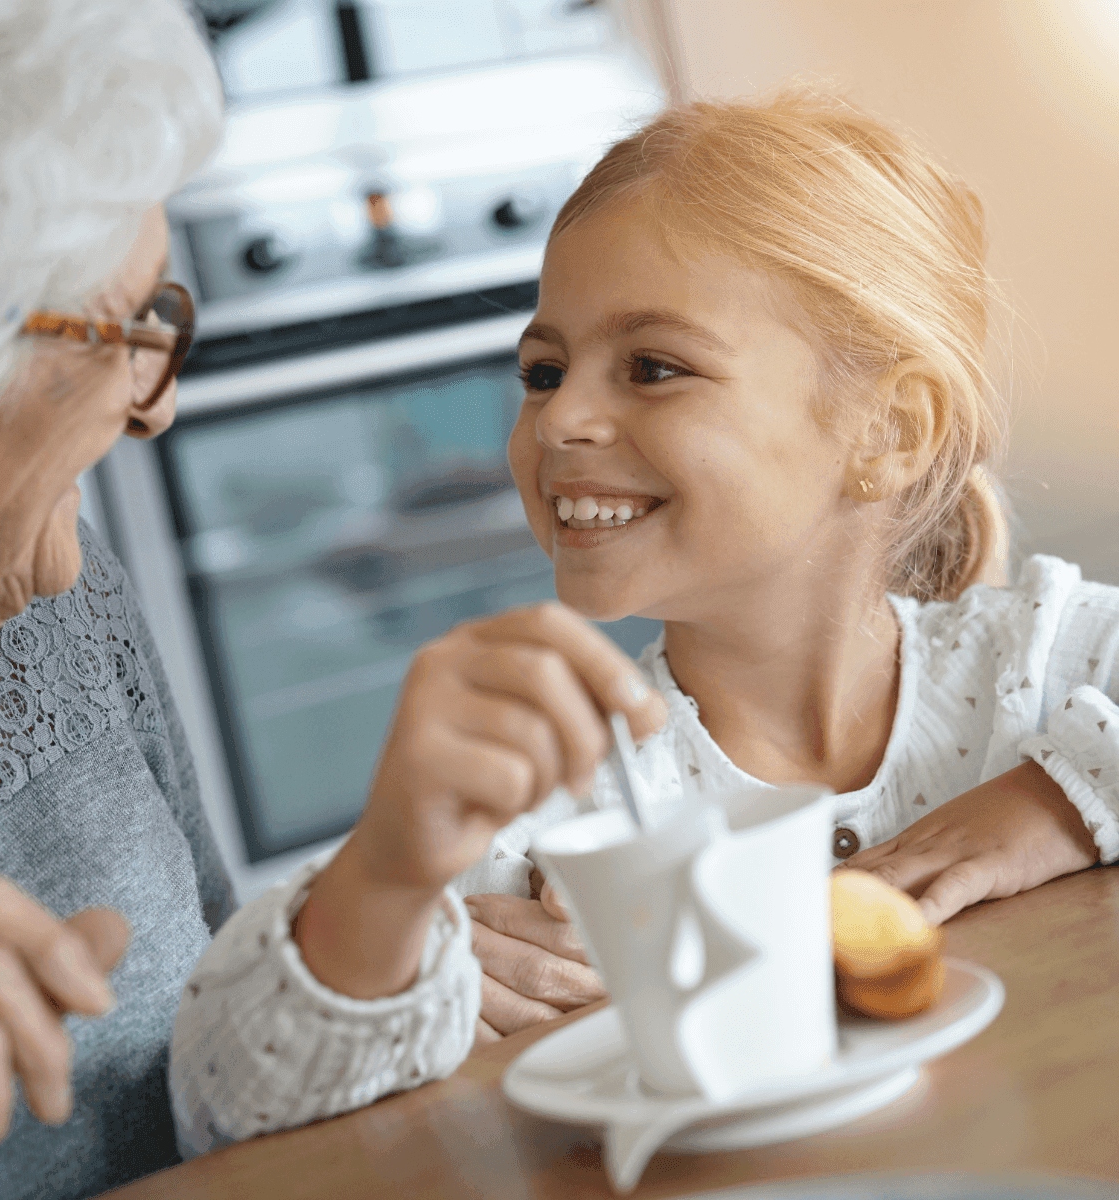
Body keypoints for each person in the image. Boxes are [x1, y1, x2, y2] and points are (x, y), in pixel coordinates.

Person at [0, 1, 663, 1196]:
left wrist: (350, 967)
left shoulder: (45, 604)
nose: (153, 404)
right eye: (118, 332)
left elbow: (205, 1067)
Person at [231, 89, 1117, 1054]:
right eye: (543, 372)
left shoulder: (1051, 669)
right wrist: (396, 948)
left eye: (652, 366)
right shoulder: (544, 811)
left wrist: (1055, 802)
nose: (559, 418)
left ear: (891, 432)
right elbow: (226, 1095)